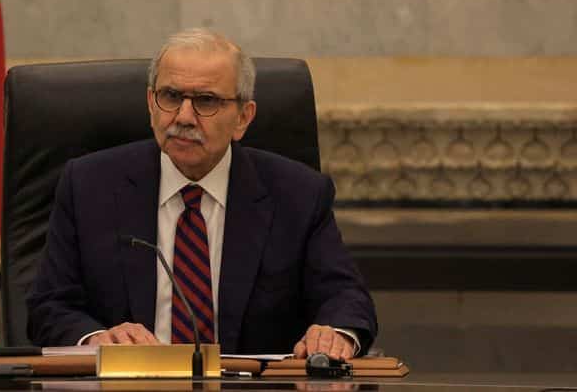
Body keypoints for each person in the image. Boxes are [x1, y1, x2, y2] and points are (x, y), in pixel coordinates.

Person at [26, 29, 377, 358]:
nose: (184, 117)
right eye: (170, 96)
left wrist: (334, 334)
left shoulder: (298, 194)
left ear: (243, 117)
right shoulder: (89, 186)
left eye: (206, 101)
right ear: (150, 103)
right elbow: (49, 306)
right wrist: (96, 339)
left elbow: (345, 298)